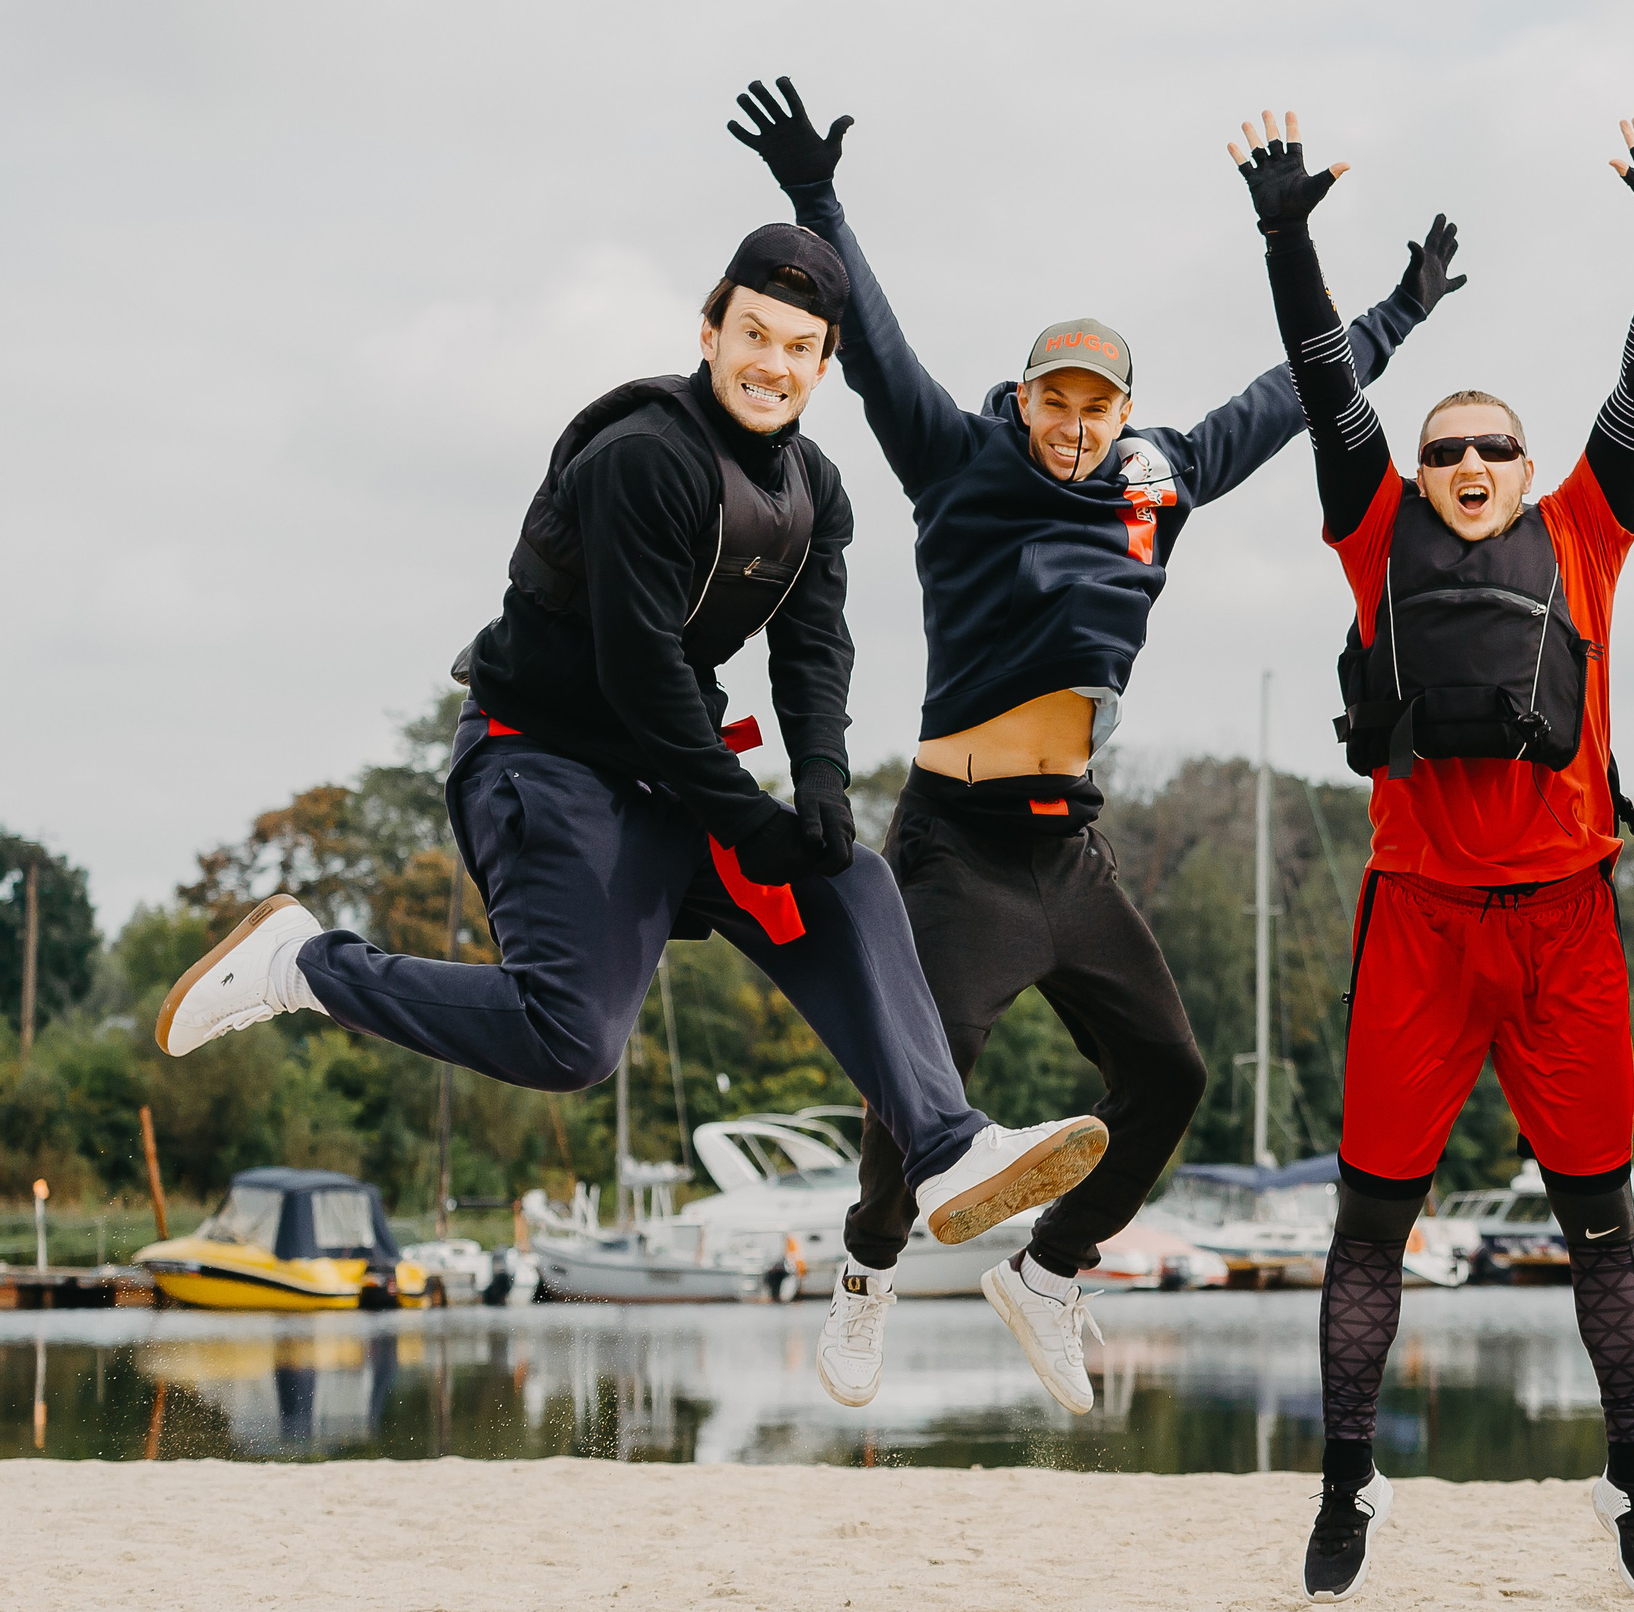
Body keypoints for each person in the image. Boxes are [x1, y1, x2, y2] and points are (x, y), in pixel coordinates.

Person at [724, 79, 1462, 1415]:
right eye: (1056, 400)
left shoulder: (1162, 474)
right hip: (953, 853)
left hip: (1073, 854)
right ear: (1026, 395)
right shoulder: (956, 457)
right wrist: (816, 199)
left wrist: (1403, 307)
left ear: (1124, 407)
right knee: (918, 1099)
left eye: (1096, 404)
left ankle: (1054, 1270)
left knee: (1170, 1074)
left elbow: (1295, 390)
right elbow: (877, 346)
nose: (1075, 423)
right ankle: (867, 1267)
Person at [155, 222, 1108, 1254]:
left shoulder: (815, 490)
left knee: (851, 883)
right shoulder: (645, 459)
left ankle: (945, 1148)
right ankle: (303, 965)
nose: (772, 364)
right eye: (753, 334)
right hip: (543, 764)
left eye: (798, 348)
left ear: (825, 365)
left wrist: (823, 787)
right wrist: (745, 818)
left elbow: (813, 648)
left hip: (665, 782)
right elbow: (640, 670)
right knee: (569, 1043)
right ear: (709, 333)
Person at [1236, 109, 1634, 1603]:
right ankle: (1345, 1477)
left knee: (1601, 1222)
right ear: (1421, 470)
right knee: (1372, 1218)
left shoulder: (1587, 523)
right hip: (1421, 923)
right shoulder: (1373, 528)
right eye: (1449, 447)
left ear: (1523, 458)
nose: (1473, 461)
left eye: (1495, 442)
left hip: (1566, 921)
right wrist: (1287, 237)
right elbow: (1322, 383)